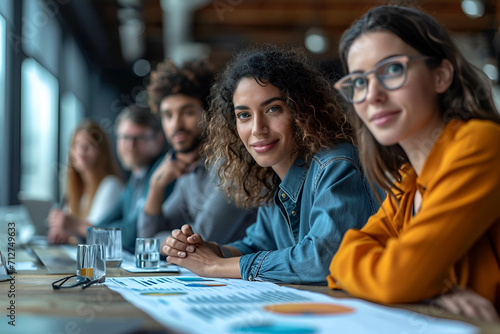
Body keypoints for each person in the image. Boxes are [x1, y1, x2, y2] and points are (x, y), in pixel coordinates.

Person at [327, 5, 500, 321]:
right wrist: (428, 286)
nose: (373, 95)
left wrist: (415, 282)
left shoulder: (482, 143)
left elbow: (394, 280)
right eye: (359, 82)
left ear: (441, 75)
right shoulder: (408, 181)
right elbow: (338, 262)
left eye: (392, 70)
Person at [163, 46, 381, 285]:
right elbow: (256, 245)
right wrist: (208, 250)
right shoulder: (269, 177)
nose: (257, 128)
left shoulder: (337, 165)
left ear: (302, 111)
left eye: (272, 109)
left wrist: (214, 265)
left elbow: (323, 260)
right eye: (244, 115)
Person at [138, 59, 257, 246]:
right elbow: (145, 241)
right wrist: (156, 187)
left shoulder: (234, 164)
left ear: (209, 114)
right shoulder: (190, 169)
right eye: (168, 115)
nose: (175, 125)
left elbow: (199, 241)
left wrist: (163, 242)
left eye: (187, 113)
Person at [94, 104, 173, 250]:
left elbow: (133, 236)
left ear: (159, 140)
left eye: (139, 138)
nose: (130, 145)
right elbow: (99, 226)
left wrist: (78, 227)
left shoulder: (163, 170)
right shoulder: (135, 178)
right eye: (124, 137)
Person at [48, 120, 124, 243]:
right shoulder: (76, 189)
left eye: (88, 145)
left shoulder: (111, 185)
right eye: (76, 145)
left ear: (101, 151)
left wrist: (70, 231)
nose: (81, 151)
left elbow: (99, 233)